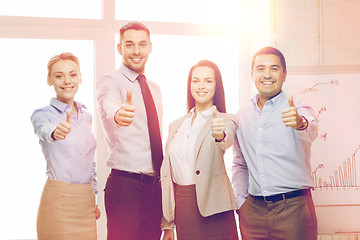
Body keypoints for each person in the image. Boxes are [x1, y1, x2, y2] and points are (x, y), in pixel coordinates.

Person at [231, 46, 318, 240]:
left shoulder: (297, 107)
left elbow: (311, 127)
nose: (267, 74)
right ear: (252, 74)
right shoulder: (242, 116)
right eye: (261, 68)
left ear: (284, 74)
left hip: (293, 209)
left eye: (274, 68)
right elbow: (239, 163)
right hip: (252, 212)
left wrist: (299, 122)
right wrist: (241, 202)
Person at [96, 21, 163, 240]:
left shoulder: (154, 88)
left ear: (150, 47)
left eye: (142, 44)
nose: (136, 51)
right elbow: (109, 104)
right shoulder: (110, 82)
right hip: (126, 187)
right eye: (130, 44)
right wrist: (118, 113)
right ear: (120, 48)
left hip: (155, 188)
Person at [161, 60, 239, 240]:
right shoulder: (175, 126)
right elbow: (167, 175)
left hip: (215, 207)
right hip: (183, 207)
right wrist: (167, 223)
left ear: (217, 85)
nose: (201, 86)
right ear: (190, 86)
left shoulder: (226, 119)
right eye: (196, 81)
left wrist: (220, 135)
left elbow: (225, 140)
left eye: (208, 81)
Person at [31, 52, 100, 240]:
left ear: (80, 77)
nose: (67, 81)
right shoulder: (42, 115)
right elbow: (42, 129)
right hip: (59, 202)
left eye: (72, 74)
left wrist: (92, 196)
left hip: (85, 202)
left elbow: (88, 160)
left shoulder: (86, 116)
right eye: (59, 76)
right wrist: (54, 133)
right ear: (49, 80)